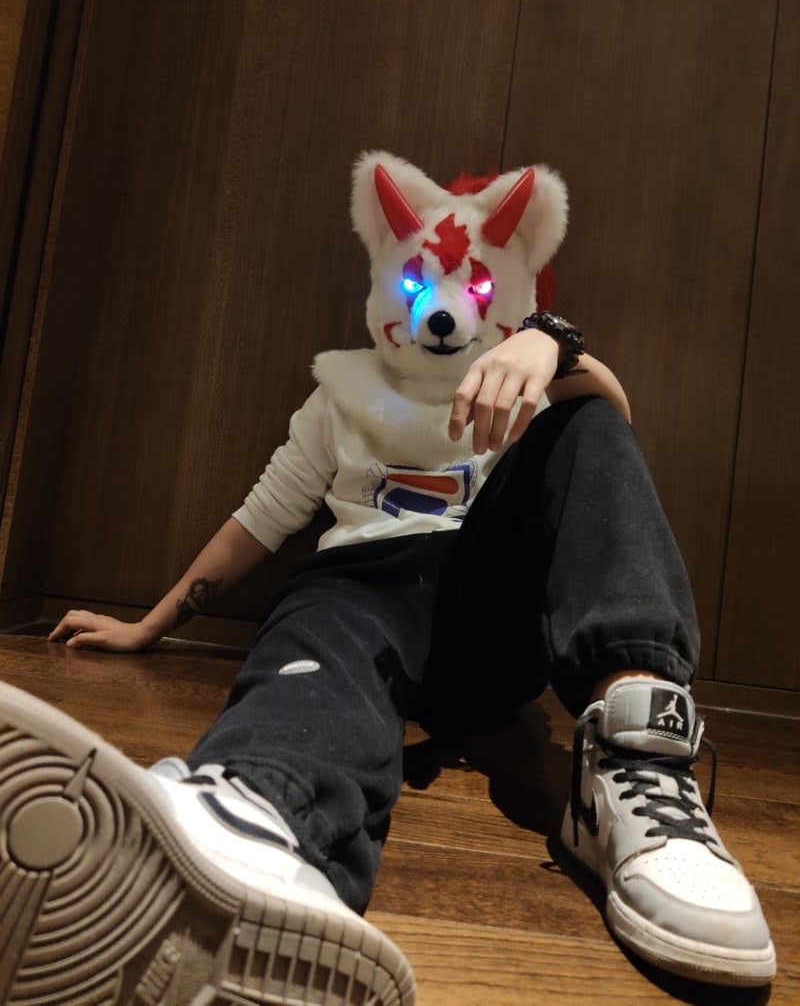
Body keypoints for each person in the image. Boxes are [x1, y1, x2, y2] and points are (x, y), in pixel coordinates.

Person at [0, 152, 775, 1005]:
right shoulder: (340, 396)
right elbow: (264, 515)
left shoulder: (528, 383)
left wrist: (550, 344)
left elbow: (606, 449)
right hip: (360, 602)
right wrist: (151, 624)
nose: (442, 307)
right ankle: (257, 817)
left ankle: (640, 764)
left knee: (586, 425)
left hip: (484, 622)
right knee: (329, 606)